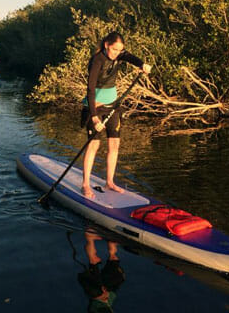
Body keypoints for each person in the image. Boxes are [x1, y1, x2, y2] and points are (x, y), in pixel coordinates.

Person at [81, 32, 151, 199]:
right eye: (114, 49)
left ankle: (110, 182)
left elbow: (131, 58)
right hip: (95, 108)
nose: (116, 53)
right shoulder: (97, 61)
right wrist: (94, 117)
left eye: (120, 50)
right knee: (93, 146)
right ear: (106, 45)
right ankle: (85, 184)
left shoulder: (120, 55)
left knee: (114, 145)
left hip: (113, 106)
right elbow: (90, 90)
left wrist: (143, 65)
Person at [77, 230, 125, 313]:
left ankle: (89, 238)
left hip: (97, 292)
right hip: (107, 290)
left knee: (94, 260)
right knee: (114, 262)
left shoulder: (96, 295)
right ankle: (112, 243)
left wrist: (102, 296)